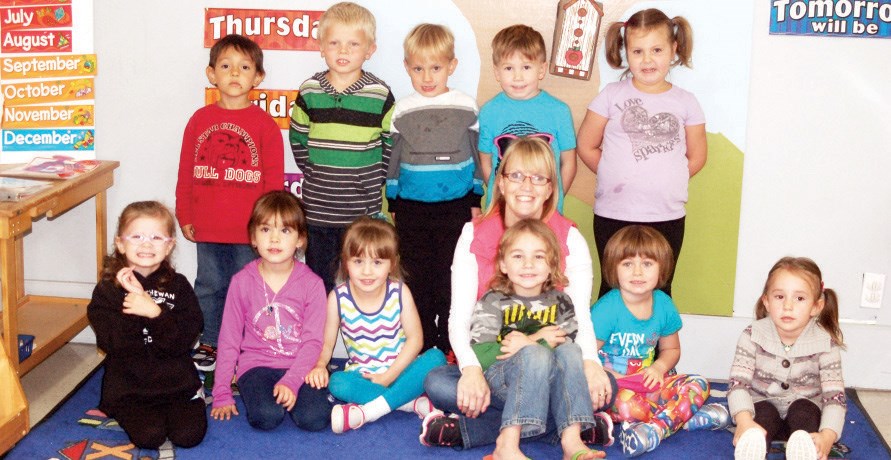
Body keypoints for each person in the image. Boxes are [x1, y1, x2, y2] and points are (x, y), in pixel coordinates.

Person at [422, 136, 616, 454]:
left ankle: (473, 431)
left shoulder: (571, 237)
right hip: (493, 363)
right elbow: (460, 317)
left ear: (551, 187)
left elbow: (577, 316)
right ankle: (573, 423)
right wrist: (471, 370)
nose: (526, 186)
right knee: (439, 384)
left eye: (538, 177)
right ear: (500, 181)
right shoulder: (473, 233)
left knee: (605, 384)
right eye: (516, 175)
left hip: (553, 365)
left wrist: (591, 364)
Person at [451, 218, 611, 459]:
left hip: (550, 382)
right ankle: (508, 443)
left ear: (552, 265)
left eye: (538, 257)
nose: (528, 264)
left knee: (577, 357)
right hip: (502, 380)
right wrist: (535, 342)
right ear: (503, 264)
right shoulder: (493, 301)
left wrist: (529, 343)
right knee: (439, 383)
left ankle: (571, 441)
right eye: (518, 256)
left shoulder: (561, 302)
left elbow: (566, 348)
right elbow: (483, 354)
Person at [575, 8, 707, 299]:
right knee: (613, 288)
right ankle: (604, 346)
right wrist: (613, 171)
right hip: (613, 212)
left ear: (673, 49)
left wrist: (667, 177)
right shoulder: (610, 95)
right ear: (625, 52)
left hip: (666, 215)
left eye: (657, 50)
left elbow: (697, 157)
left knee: (659, 291)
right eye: (638, 51)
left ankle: (661, 347)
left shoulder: (686, 102)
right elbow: (586, 145)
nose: (647, 59)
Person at [176, 34, 285, 372]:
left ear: (258, 77)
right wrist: (184, 213)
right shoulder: (199, 120)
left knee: (249, 291)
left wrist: (267, 228)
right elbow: (186, 171)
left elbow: (274, 181)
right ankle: (209, 341)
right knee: (208, 286)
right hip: (208, 226)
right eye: (225, 66)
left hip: (249, 230)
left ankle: (245, 346)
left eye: (244, 67)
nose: (234, 73)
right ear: (212, 74)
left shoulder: (265, 125)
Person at [385, 23, 483, 356]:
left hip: (454, 208)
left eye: (436, 68)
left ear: (451, 67)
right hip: (412, 210)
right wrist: (393, 200)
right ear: (407, 68)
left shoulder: (466, 107)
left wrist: (475, 198)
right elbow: (394, 160)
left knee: (450, 278)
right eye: (418, 68)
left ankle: (449, 341)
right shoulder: (401, 110)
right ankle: (423, 343)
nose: (427, 76)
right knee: (417, 278)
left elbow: (476, 156)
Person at [289, 1, 395, 293]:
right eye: (334, 43)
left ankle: (365, 339)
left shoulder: (379, 94)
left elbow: (390, 143)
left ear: (369, 50)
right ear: (321, 47)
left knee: (361, 286)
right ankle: (318, 340)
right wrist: (315, 170)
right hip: (319, 212)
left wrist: (372, 178)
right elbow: (298, 138)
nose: (344, 51)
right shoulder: (309, 91)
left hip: (361, 215)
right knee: (318, 284)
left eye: (353, 43)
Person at [304, 217, 446, 433]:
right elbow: (327, 344)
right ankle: (410, 404)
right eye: (358, 261)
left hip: (401, 369)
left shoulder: (400, 292)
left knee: (436, 358)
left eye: (377, 262)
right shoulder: (337, 298)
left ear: (393, 264)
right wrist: (320, 365)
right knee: (338, 383)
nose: (367, 271)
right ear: (345, 262)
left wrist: (389, 376)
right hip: (364, 375)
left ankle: (367, 412)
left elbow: (416, 339)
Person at [87, 201, 206, 449]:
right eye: (137, 236)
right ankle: (122, 408)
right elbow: (112, 344)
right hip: (130, 389)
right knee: (150, 436)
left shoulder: (180, 286)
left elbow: (185, 341)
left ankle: (188, 400)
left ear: (170, 244)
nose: (146, 243)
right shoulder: (107, 290)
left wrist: (155, 313)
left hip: (178, 386)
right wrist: (135, 306)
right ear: (120, 243)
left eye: (156, 237)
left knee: (189, 436)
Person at [591, 225, 717, 457]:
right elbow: (585, 356)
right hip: (614, 387)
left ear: (662, 269)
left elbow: (671, 348)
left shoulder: (664, 304)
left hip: (650, 383)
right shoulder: (605, 310)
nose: (637, 272)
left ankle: (655, 429)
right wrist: (609, 377)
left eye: (647, 264)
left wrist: (659, 367)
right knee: (627, 407)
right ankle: (682, 417)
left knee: (700, 383)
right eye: (627, 264)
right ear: (613, 268)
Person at [210, 191, 330, 432]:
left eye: (285, 231)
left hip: (301, 364)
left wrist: (292, 380)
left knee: (314, 419)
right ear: (253, 238)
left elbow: (313, 342)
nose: (274, 239)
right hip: (256, 365)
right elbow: (229, 339)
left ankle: (292, 393)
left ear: (300, 240)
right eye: (266, 230)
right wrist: (221, 391)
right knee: (266, 417)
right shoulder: (241, 281)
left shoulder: (313, 284)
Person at [729, 257, 846, 460]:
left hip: (805, 410)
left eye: (799, 298)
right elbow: (738, 384)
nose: (788, 306)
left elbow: (835, 398)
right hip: (763, 405)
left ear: (816, 306)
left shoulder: (826, 344)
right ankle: (753, 446)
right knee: (763, 413)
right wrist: (744, 420)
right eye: (779, 297)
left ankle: (804, 450)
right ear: (766, 301)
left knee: (804, 412)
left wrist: (827, 436)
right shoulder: (751, 335)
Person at [479, 24, 577, 213]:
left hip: (545, 210)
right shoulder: (489, 112)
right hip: (501, 210)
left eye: (526, 67)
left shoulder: (559, 111)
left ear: (541, 70)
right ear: (497, 72)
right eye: (508, 68)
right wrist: (501, 194)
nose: (517, 77)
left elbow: (569, 162)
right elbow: (486, 162)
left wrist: (552, 198)